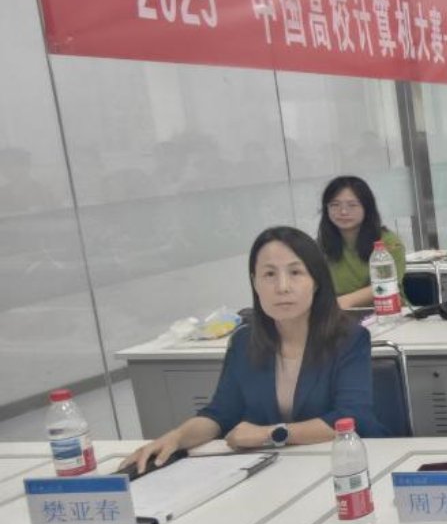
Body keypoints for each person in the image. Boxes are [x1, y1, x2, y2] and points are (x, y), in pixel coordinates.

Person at [126, 227, 378, 469]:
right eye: (269, 275)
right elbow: (219, 414)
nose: (282, 287)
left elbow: (351, 416)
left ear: (316, 281)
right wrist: (176, 437)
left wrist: (270, 434)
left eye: (295, 272)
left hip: (342, 463)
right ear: (254, 283)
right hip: (274, 468)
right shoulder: (244, 342)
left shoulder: (349, 339)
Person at [318, 175, 407, 310]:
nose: (343, 211)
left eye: (352, 205)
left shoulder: (389, 242)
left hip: (386, 309)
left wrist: (344, 302)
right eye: (335, 205)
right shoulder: (320, 245)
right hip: (338, 313)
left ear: (367, 208)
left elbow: (386, 285)